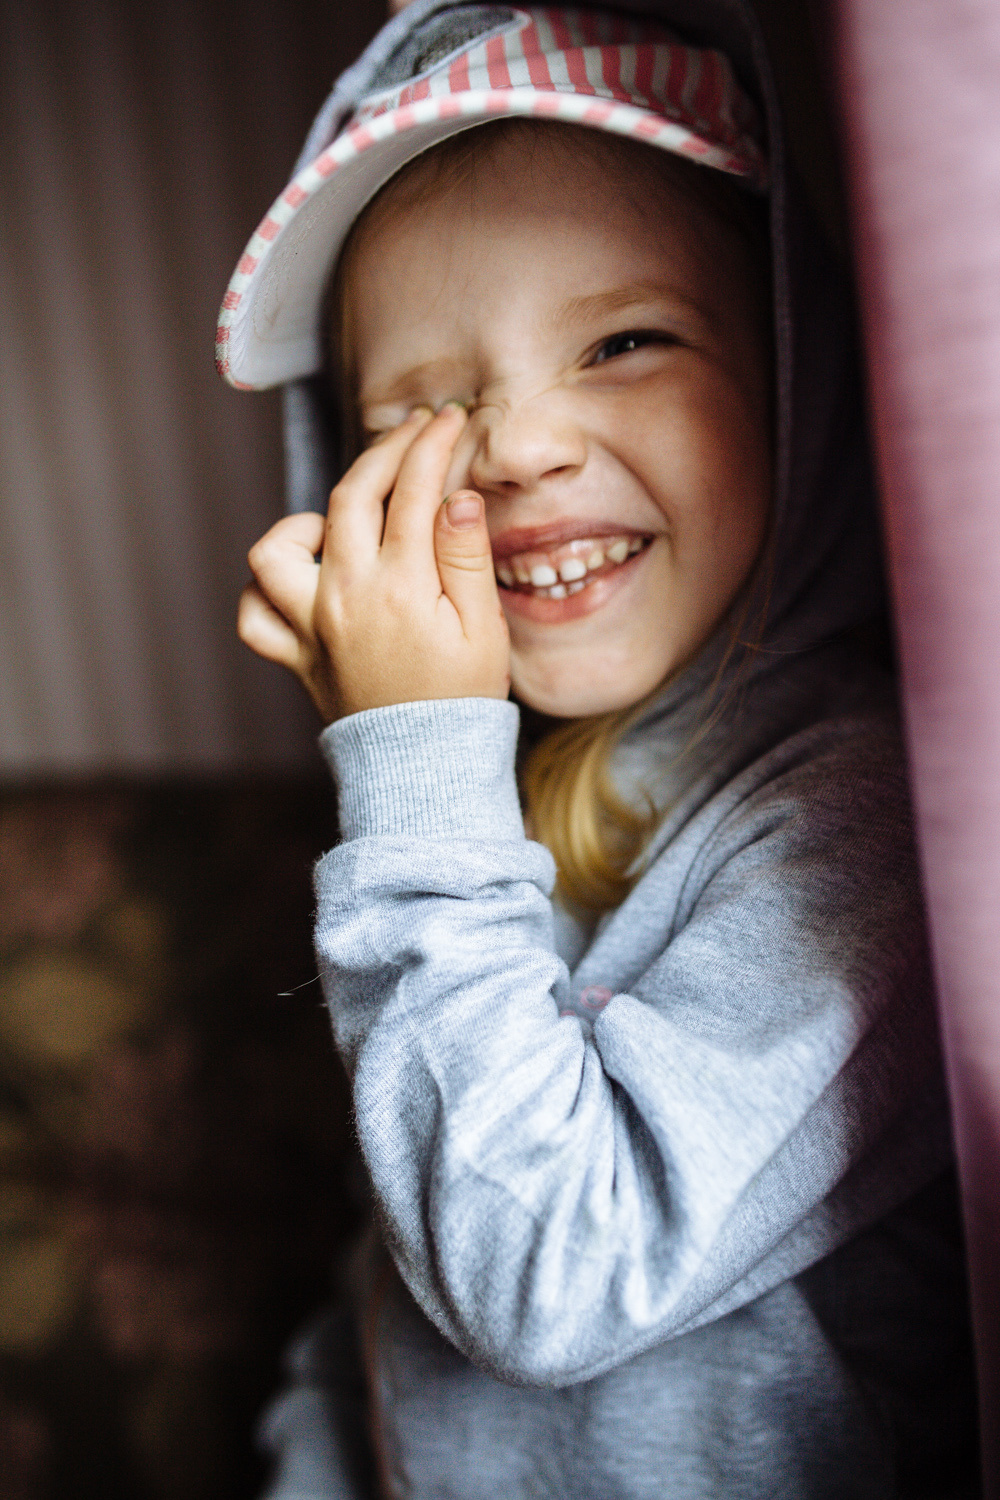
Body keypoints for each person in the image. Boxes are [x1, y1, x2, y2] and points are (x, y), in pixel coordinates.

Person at [220, 3, 979, 1495]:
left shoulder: (862, 824)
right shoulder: (471, 814)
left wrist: (414, 766)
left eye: (623, 341)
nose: (510, 447)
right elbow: (397, 1283)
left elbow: (547, 1273)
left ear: (795, 388)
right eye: (424, 406)